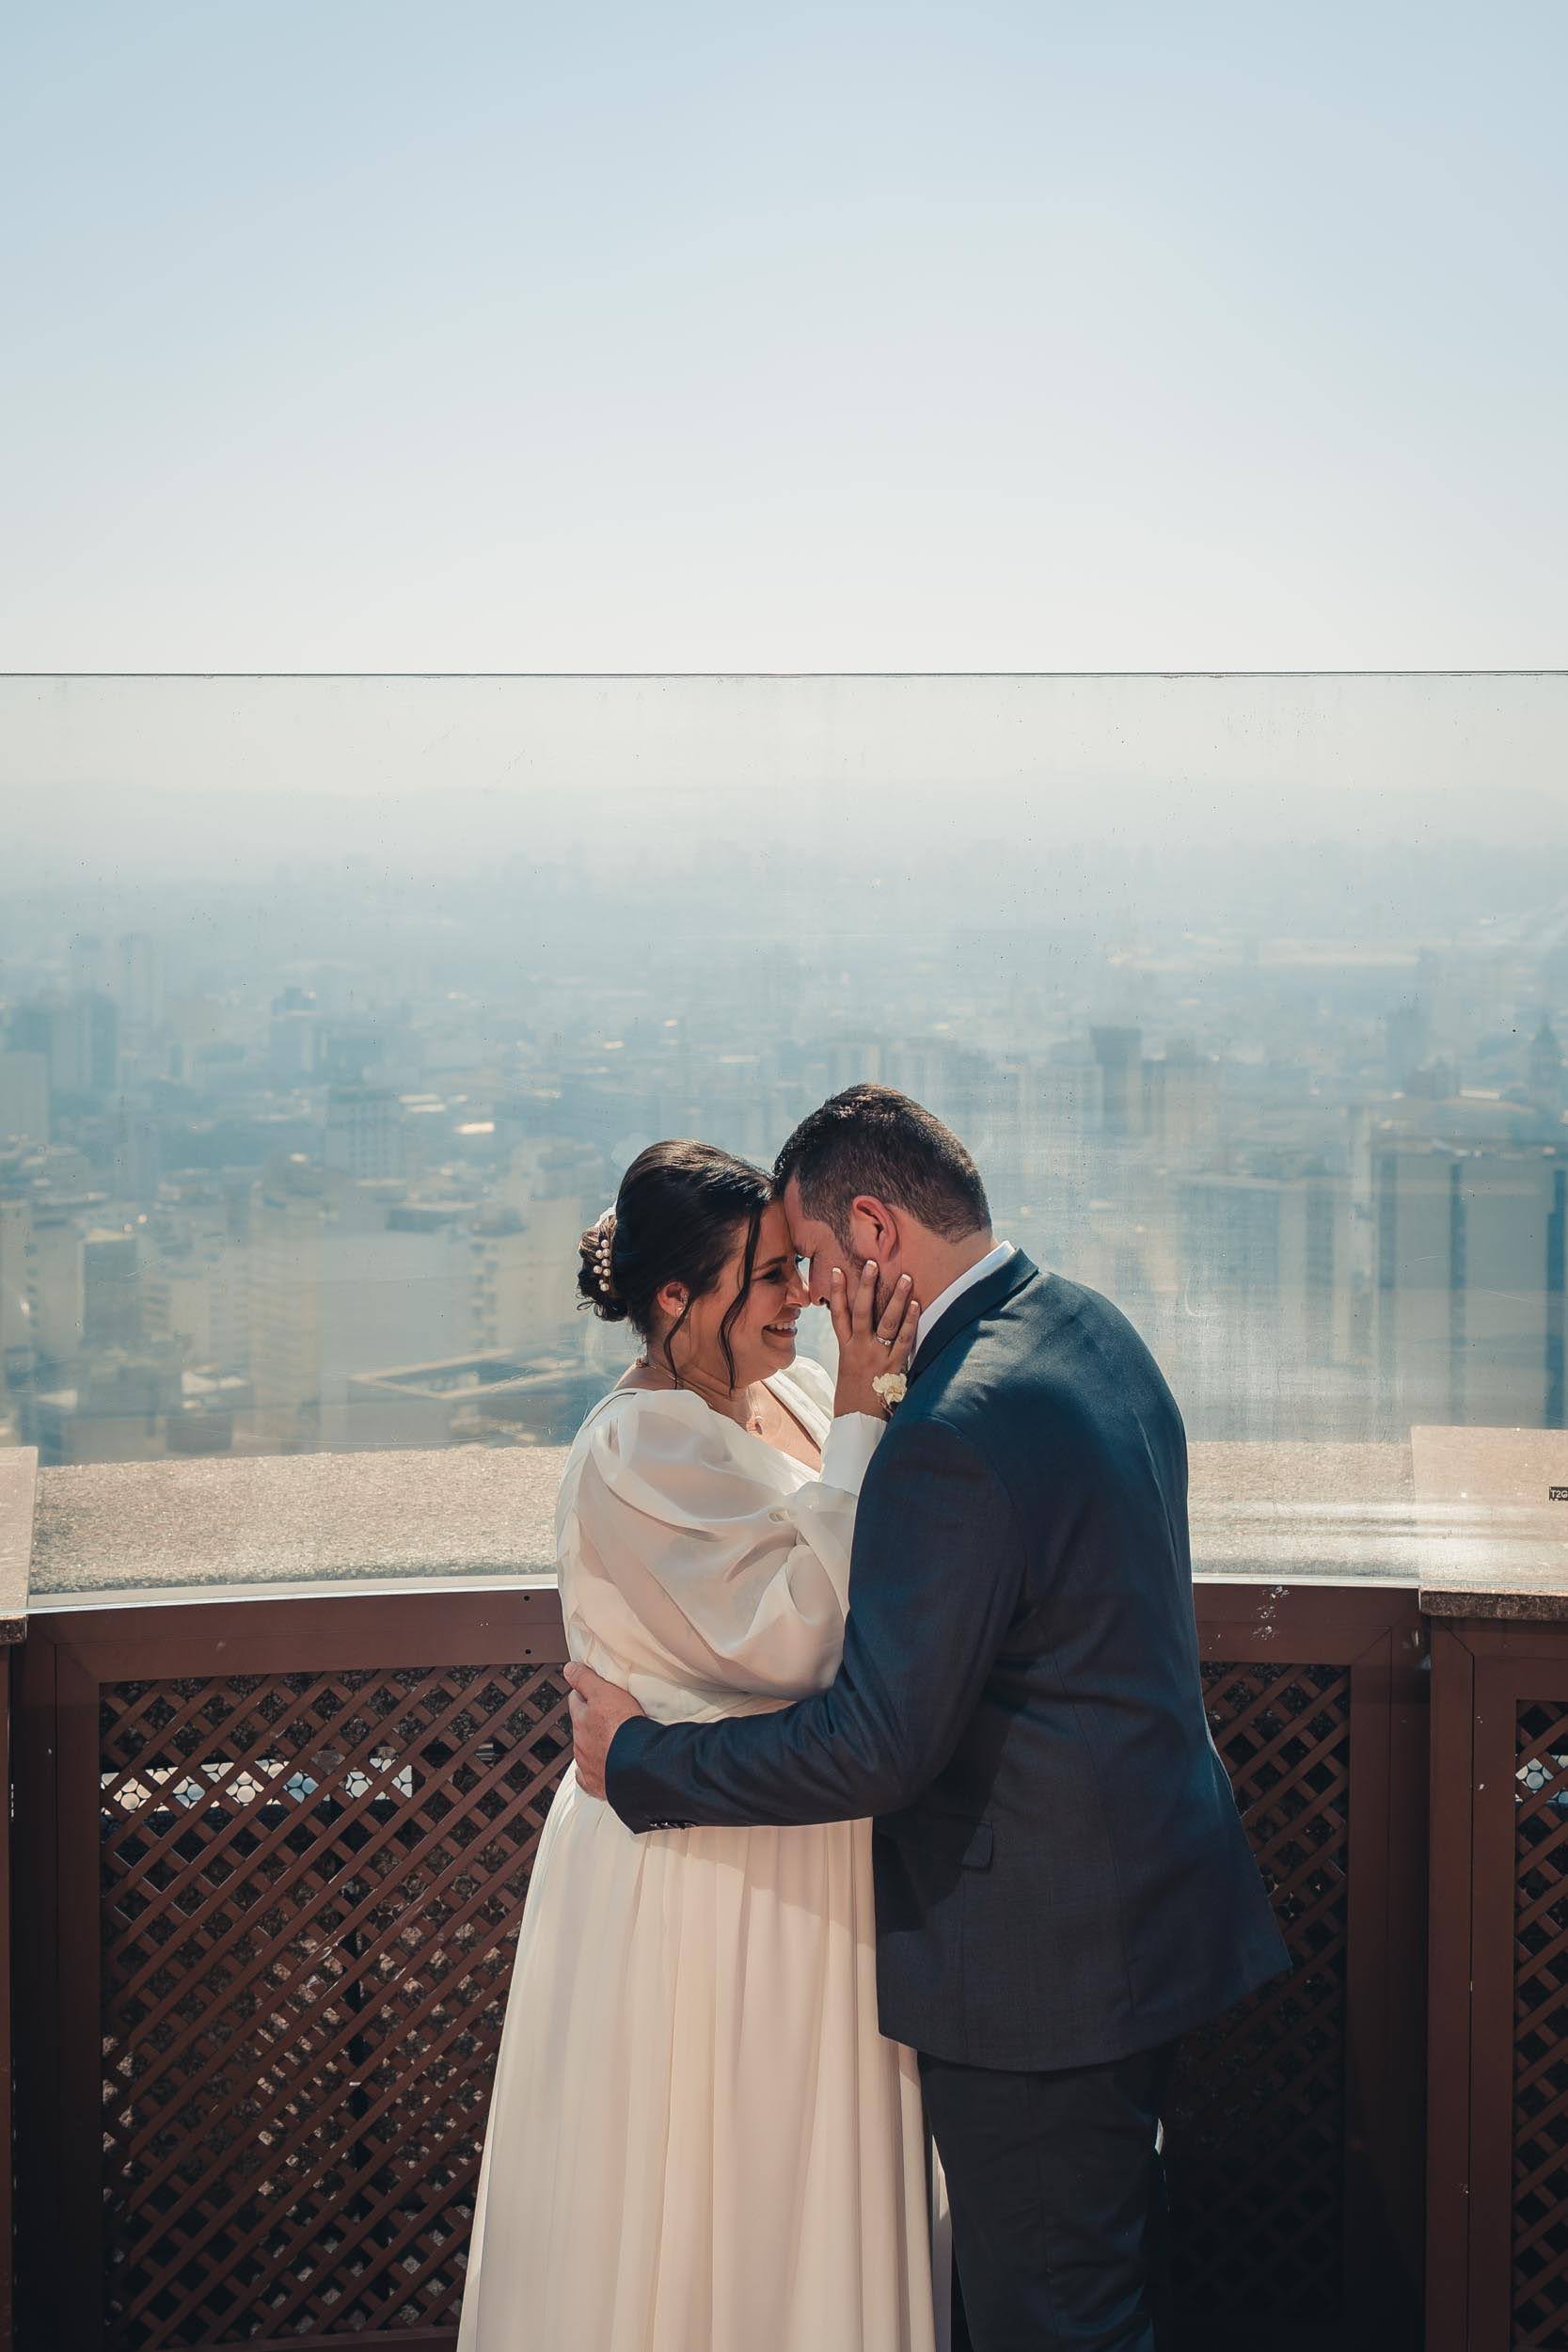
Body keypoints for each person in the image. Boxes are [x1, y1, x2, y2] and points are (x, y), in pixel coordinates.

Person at [567, 1087, 1290, 2352]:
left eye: (809, 1261)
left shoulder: (952, 1423)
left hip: (1043, 1968)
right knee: (1091, 2286)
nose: (805, 1296)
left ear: (872, 1229)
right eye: (774, 1276)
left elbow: (875, 1741)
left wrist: (641, 1759)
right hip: (1144, 1913)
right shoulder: (1086, 1326)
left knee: (1054, 2320)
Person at [456, 1138, 934, 2352]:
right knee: (698, 2196)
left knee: (800, 2190)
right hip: (700, 1885)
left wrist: (867, 1409)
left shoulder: (794, 1396)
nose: (803, 1298)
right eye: (768, 1278)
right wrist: (873, 1411)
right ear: (677, 1299)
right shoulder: (637, 1449)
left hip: (807, 1856)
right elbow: (799, 1639)